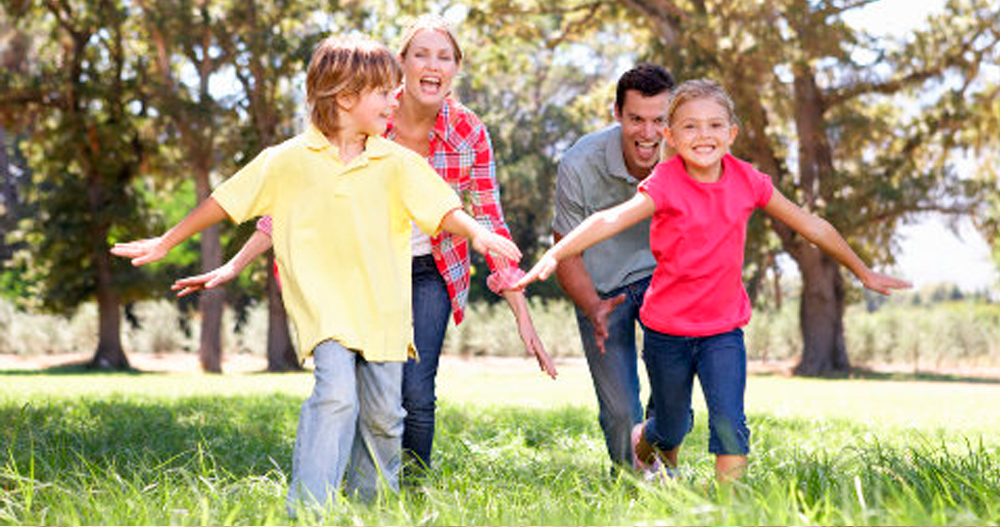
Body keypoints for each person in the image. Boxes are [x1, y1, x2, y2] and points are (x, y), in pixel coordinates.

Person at [111, 35, 524, 507]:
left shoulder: (396, 162)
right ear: (346, 98)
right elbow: (224, 202)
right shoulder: (287, 160)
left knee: (386, 415)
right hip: (325, 307)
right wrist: (167, 241)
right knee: (335, 396)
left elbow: (443, 207)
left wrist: (478, 235)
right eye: (385, 90)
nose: (396, 97)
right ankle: (310, 508)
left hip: (386, 313)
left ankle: (368, 506)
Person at [518, 79, 911, 482]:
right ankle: (646, 440)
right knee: (670, 427)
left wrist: (862, 270)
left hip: (723, 330)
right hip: (666, 332)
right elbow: (610, 218)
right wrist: (554, 254)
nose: (703, 135)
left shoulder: (749, 181)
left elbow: (811, 224)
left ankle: (731, 514)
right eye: (689, 126)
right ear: (670, 136)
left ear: (731, 134)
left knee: (730, 426)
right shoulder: (665, 181)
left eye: (714, 126)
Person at [550, 63, 674, 470]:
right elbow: (566, 250)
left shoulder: (687, 156)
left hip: (665, 283)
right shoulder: (579, 163)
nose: (648, 132)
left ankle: (660, 469)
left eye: (659, 120)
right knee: (621, 412)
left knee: (673, 394)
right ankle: (634, 485)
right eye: (636, 119)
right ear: (617, 113)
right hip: (601, 289)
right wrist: (592, 305)